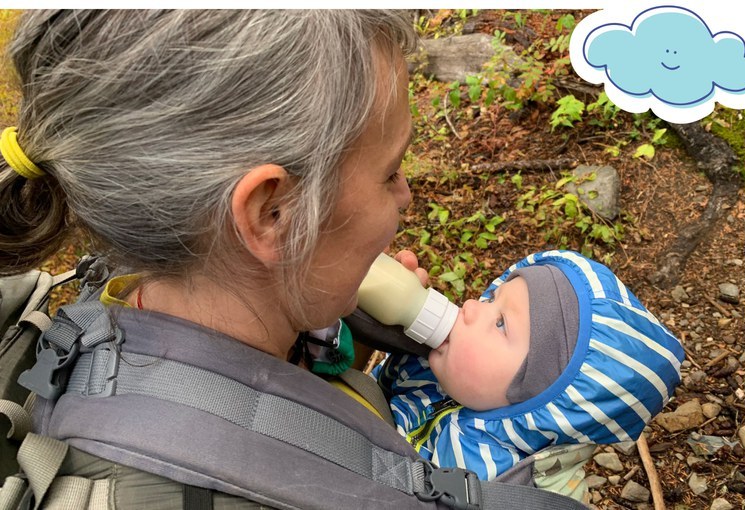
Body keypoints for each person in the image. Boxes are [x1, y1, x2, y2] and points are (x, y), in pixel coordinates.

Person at [0, 10, 438, 509]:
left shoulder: (153, 270)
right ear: (272, 213)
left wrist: (345, 343)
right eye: (391, 171)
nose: (404, 195)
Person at [379, 250, 685, 501]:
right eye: (492, 298)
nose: (471, 306)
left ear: (537, 404)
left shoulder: (499, 485)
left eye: (500, 323)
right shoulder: (438, 373)